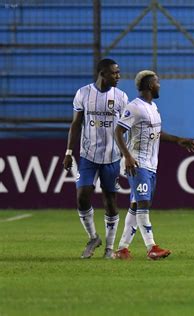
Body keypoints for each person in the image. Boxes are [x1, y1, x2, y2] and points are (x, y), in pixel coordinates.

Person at [113, 70, 194, 260]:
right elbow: (118, 132)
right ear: (150, 85)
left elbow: (157, 133)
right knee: (143, 203)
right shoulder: (134, 107)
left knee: (137, 205)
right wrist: (127, 157)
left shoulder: (153, 108)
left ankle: (122, 249)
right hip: (137, 162)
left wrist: (178, 140)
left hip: (151, 165)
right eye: (157, 82)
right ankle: (151, 247)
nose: (160, 85)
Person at [63, 58, 128, 259]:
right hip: (88, 155)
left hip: (112, 157)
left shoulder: (121, 97)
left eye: (118, 72)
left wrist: (128, 156)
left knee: (110, 201)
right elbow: (76, 124)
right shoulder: (83, 93)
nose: (118, 76)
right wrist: (68, 152)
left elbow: (126, 128)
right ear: (102, 74)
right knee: (82, 196)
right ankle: (93, 237)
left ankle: (109, 248)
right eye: (114, 73)